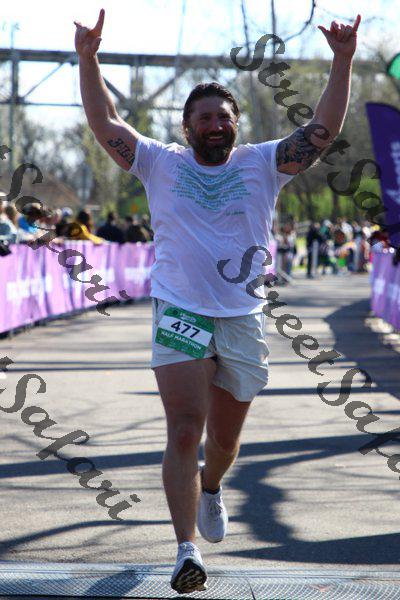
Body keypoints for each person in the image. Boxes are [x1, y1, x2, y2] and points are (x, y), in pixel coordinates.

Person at [75, 9, 361, 594]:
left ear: (235, 126)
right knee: (185, 430)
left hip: (243, 316)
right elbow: (104, 120)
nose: (214, 125)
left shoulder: (264, 163)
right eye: (203, 117)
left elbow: (322, 132)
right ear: (186, 128)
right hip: (179, 310)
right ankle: (186, 551)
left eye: (223, 117)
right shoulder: (158, 161)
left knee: (224, 442)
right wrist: (88, 58)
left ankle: (211, 486)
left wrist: (342, 61)